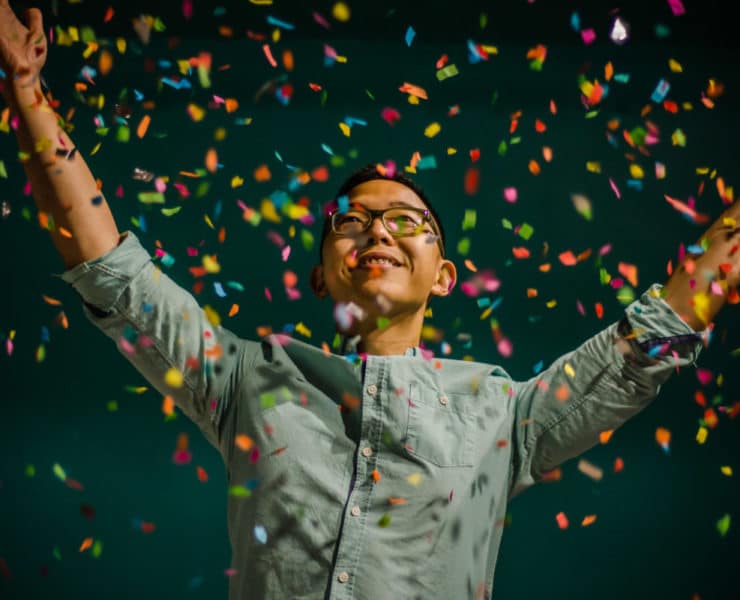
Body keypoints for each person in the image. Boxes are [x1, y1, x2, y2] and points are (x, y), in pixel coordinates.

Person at [2, 2, 738, 599]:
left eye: (405, 221)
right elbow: (108, 267)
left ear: (443, 276)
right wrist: (27, 93)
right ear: (323, 273)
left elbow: (648, 343)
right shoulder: (245, 380)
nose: (378, 229)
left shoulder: (504, 411)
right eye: (351, 221)